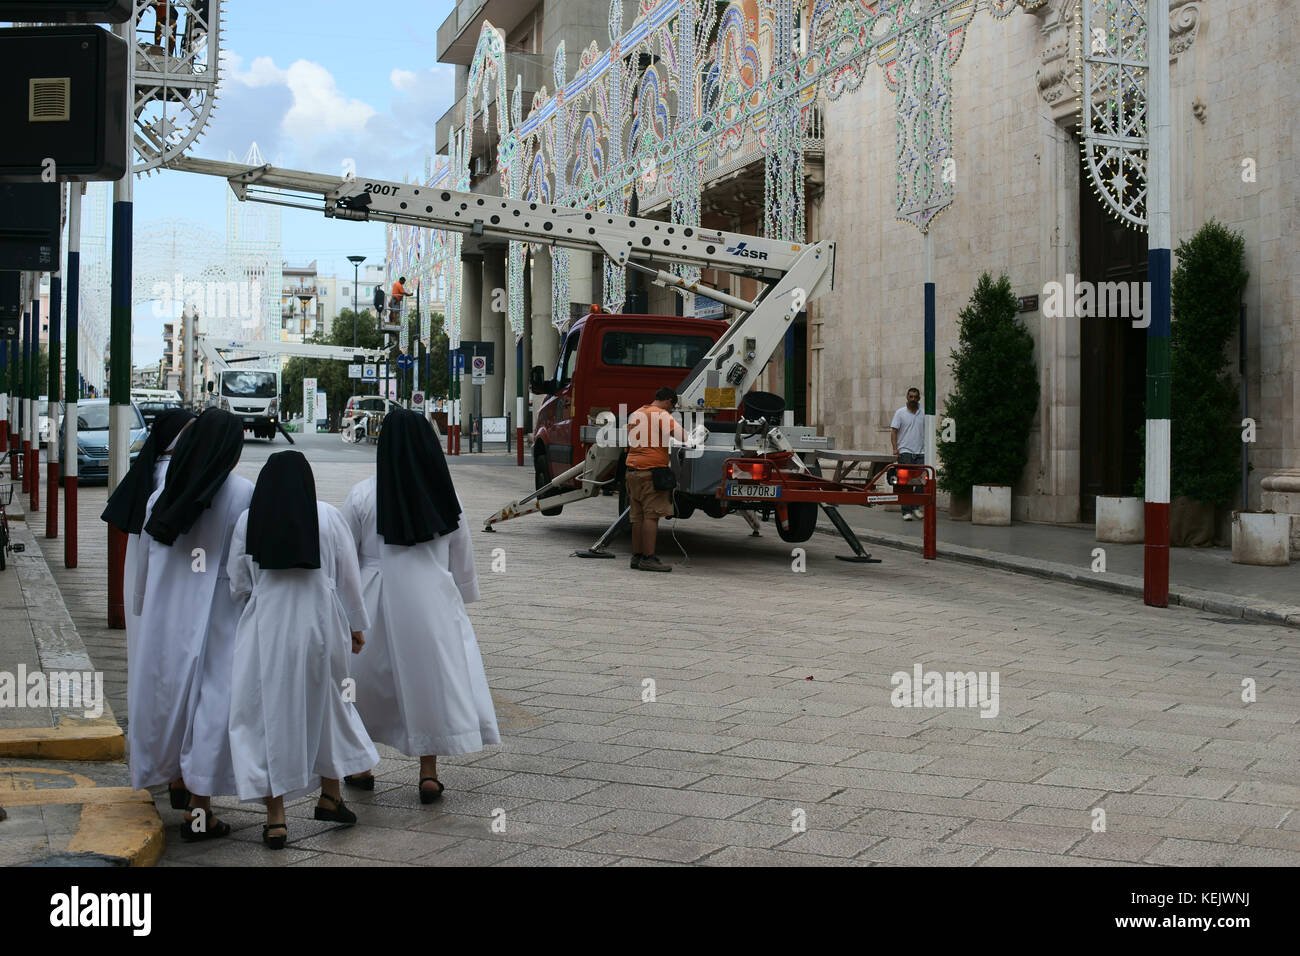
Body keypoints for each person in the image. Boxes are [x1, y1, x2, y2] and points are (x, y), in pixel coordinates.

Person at [341, 409, 499, 802]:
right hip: (431, 598)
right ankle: (428, 772)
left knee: (363, 684)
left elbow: (345, 554)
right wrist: (458, 596)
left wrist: (344, 607)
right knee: (429, 682)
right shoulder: (446, 496)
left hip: (372, 597)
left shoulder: (363, 494)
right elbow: (461, 557)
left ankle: (361, 764)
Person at [226, 451, 379, 850]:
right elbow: (349, 579)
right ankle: (330, 795)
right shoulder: (328, 517)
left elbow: (237, 584)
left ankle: (276, 818)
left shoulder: (248, 520)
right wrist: (356, 625)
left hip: (266, 626)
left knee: (265, 716)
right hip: (321, 625)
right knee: (328, 704)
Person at [132, 410, 253, 842]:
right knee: (211, 704)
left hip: (167, 614)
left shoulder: (161, 495)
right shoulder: (243, 494)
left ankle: (177, 780)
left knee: (169, 696)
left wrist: (144, 606)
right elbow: (246, 567)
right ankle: (200, 811)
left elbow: (144, 563)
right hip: (220, 613)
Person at [102, 408, 196, 811]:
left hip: (144, 585)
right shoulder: (171, 479)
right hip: (166, 589)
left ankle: (167, 770)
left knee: (150, 670)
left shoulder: (153, 475)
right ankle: (178, 773)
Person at [624, 386, 685, 572]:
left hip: (632, 471)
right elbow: (682, 437)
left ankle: (636, 557)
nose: (671, 410)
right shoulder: (662, 415)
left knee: (637, 517)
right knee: (652, 516)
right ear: (668, 401)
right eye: (672, 407)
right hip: (651, 472)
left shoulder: (636, 414)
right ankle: (648, 558)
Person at [890, 386, 925, 521]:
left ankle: (915, 506)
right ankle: (906, 511)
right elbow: (894, 431)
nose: (913, 399)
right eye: (911, 397)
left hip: (921, 452)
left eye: (915, 397)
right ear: (907, 397)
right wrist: (895, 448)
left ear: (919, 398)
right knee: (905, 482)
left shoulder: (923, 413)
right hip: (905, 452)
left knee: (922, 481)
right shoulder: (900, 413)